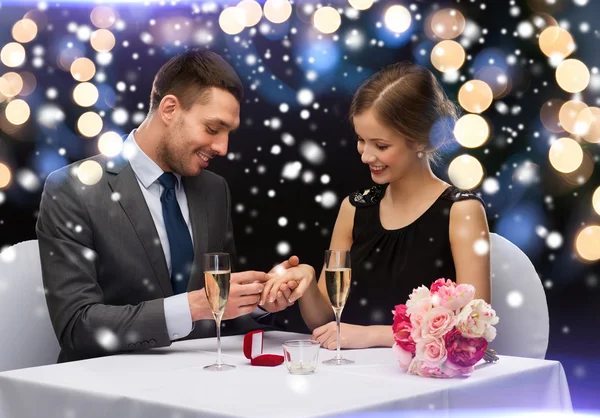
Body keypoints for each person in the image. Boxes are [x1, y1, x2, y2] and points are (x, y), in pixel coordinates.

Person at [36, 49, 295, 363]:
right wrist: (193, 305)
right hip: (105, 389)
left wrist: (260, 301)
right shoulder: (72, 189)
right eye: (213, 129)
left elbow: (217, 314)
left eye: (228, 134)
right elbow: (77, 328)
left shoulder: (214, 190)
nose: (223, 148)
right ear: (170, 109)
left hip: (200, 381)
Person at [261, 61, 491, 350]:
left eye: (380, 146)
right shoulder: (354, 208)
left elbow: (473, 326)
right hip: (352, 377)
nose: (366, 156)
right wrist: (306, 282)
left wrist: (371, 336)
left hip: (423, 383)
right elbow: (324, 321)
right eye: (361, 141)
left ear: (420, 139)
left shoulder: (462, 211)